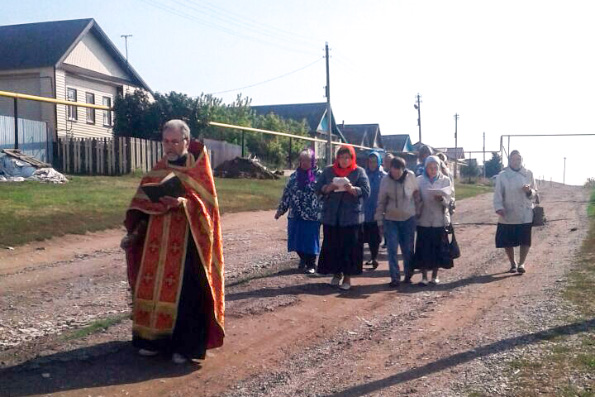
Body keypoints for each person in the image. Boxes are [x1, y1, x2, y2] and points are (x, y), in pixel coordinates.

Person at [121, 119, 225, 364]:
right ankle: (153, 341)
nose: (170, 146)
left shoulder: (199, 171)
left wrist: (184, 203)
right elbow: (140, 205)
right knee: (153, 288)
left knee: (187, 293)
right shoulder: (157, 169)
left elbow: (208, 210)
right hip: (156, 244)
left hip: (188, 244)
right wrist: (136, 228)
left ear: (186, 142)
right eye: (166, 141)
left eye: (175, 141)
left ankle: (185, 347)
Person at [316, 145, 370, 290]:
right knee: (333, 246)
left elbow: (366, 191)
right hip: (332, 217)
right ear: (337, 158)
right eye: (341, 157)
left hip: (350, 218)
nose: (344, 161)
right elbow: (318, 188)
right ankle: (336, 274)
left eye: (347, 158)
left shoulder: (359, 172)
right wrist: (328, 188)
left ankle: (347, 277)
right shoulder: (329, 171)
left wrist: (353, 190)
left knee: (349, 248)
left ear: (352, 158)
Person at [275, 148, 322, 274]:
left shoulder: (320, 176)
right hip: (295, 214)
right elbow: (287, 195)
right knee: (296, 240)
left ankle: (311, 264)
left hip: (312, 215)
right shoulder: (293, 177)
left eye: (308, 160)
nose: (305, 163)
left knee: (310, 240)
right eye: (302, 160)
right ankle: (304, 259)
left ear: (313, 161)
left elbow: (326, 194)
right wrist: (281, 210)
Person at [375, 157, 420, 287]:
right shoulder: (386, 180)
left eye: (398, 172)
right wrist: (379, 222)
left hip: (408, 219)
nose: (395, 174)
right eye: (393, 171)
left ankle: (408, 274)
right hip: (391, 220)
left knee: (407, 249)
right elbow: (381, 202)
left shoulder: (410, 176)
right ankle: (395, 277)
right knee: (392, 250)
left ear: (403, 170)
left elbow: (416, 194)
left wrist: (418, 211)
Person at [493, 150, 537, 274]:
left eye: (518, 159)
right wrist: (499, 207)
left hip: (525, 213)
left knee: (525, 240)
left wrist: (529, 191)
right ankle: (513, 263)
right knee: (508, 241)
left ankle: (522, 263)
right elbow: (498, 194)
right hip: (508, 212)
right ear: (509, 161)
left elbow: (535, 193)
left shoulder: (528, 174)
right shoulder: (503, 175)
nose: (516, 162)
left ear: (522, 160)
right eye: (513, 159)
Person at [413, 155, 454, 285]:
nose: (433, 170)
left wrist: (442, 199)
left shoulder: (445, 180)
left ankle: (434, 276)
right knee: (423, 248)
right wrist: (417, 198)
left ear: (439, 167)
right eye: (430, 167)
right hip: (424, 219)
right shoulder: (419, 180)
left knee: (437, 249)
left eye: (435, 167)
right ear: (425, 168)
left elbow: (450, 201)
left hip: (438, 220)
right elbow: (415, 199)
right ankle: (424, 277)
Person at [362, 151, 387, 269]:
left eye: (374, 162)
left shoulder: (384, 176)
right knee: (362, 236)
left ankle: (374, 257)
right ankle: (359, 259)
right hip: (364, 209)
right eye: (370, 161)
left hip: (378, 209)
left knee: (375, 237)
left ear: (379, 162)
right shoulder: (363, 174)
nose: (372, 164)